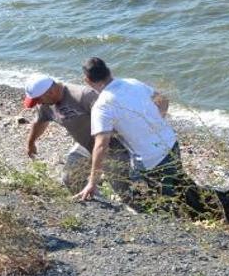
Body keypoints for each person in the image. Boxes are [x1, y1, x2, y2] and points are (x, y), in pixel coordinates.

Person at [77, 57, 192, 212]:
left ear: (87, 80)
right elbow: (163, 100)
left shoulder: (102, 106)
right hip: (170, 141)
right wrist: (156, 122)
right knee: (180, 183)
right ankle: (206, 211)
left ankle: (186, 221)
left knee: (169, 200)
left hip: (152, 159)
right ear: (109, 71)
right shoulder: (133, 82)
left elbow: (101, 145)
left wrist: (92, 182)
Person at [24, 75, 124, 191]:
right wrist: (31, 143)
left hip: (112, 146)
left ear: (50, 92)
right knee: (70, 179)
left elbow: (117, 119)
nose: (39, 103)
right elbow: (40, 121)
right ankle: (94, 203)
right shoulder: (46, 104)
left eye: (38, 99)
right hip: (85, 144)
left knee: (122, 188)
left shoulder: (83, 96)